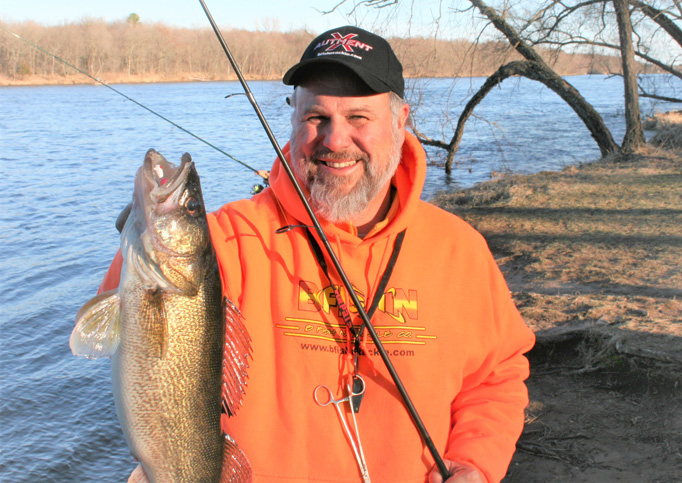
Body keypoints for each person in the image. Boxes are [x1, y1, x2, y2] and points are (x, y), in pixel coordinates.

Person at [115, 25, 535, 483]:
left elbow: (496, 375)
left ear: (400, 121)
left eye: (359, 117)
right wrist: (140, 236)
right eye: (316, 117)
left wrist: (476, 461)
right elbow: (138, 324)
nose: (335, 140)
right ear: (293, 120)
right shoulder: (229, 239)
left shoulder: (460, 251)